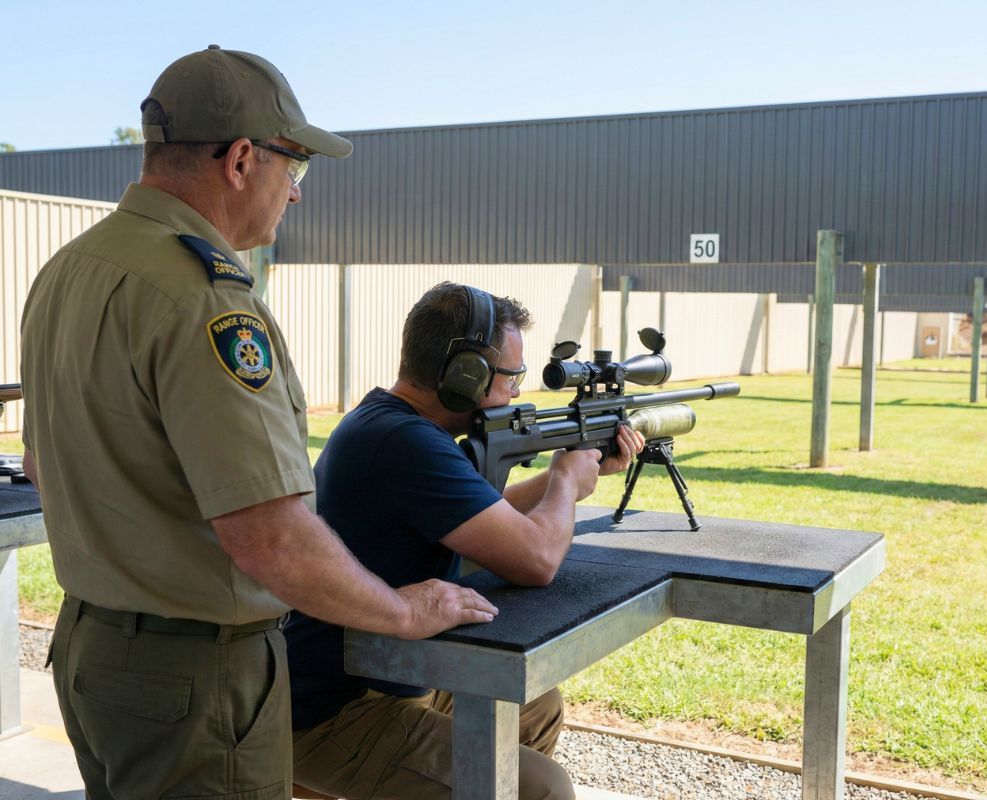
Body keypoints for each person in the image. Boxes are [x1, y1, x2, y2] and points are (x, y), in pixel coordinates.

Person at [18, 48, 495, 800]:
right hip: (195, 678)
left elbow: (43, 464)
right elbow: (268, 535)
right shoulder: (206, 300)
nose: (296, 195)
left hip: (91, 651)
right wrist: (402, 608)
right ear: (241, 158)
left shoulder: (67, 272)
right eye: (294, 167)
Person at [285, 282, 646, 800]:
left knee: (537, 705)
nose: (517, 392)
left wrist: (572, 471)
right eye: (511, 377)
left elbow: (485, 516)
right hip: (336, 708)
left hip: (393, 669)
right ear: (465, 373)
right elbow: (537, 560)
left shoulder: (394, 422)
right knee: (544, 789)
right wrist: (566, 481)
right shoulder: (406, 442)